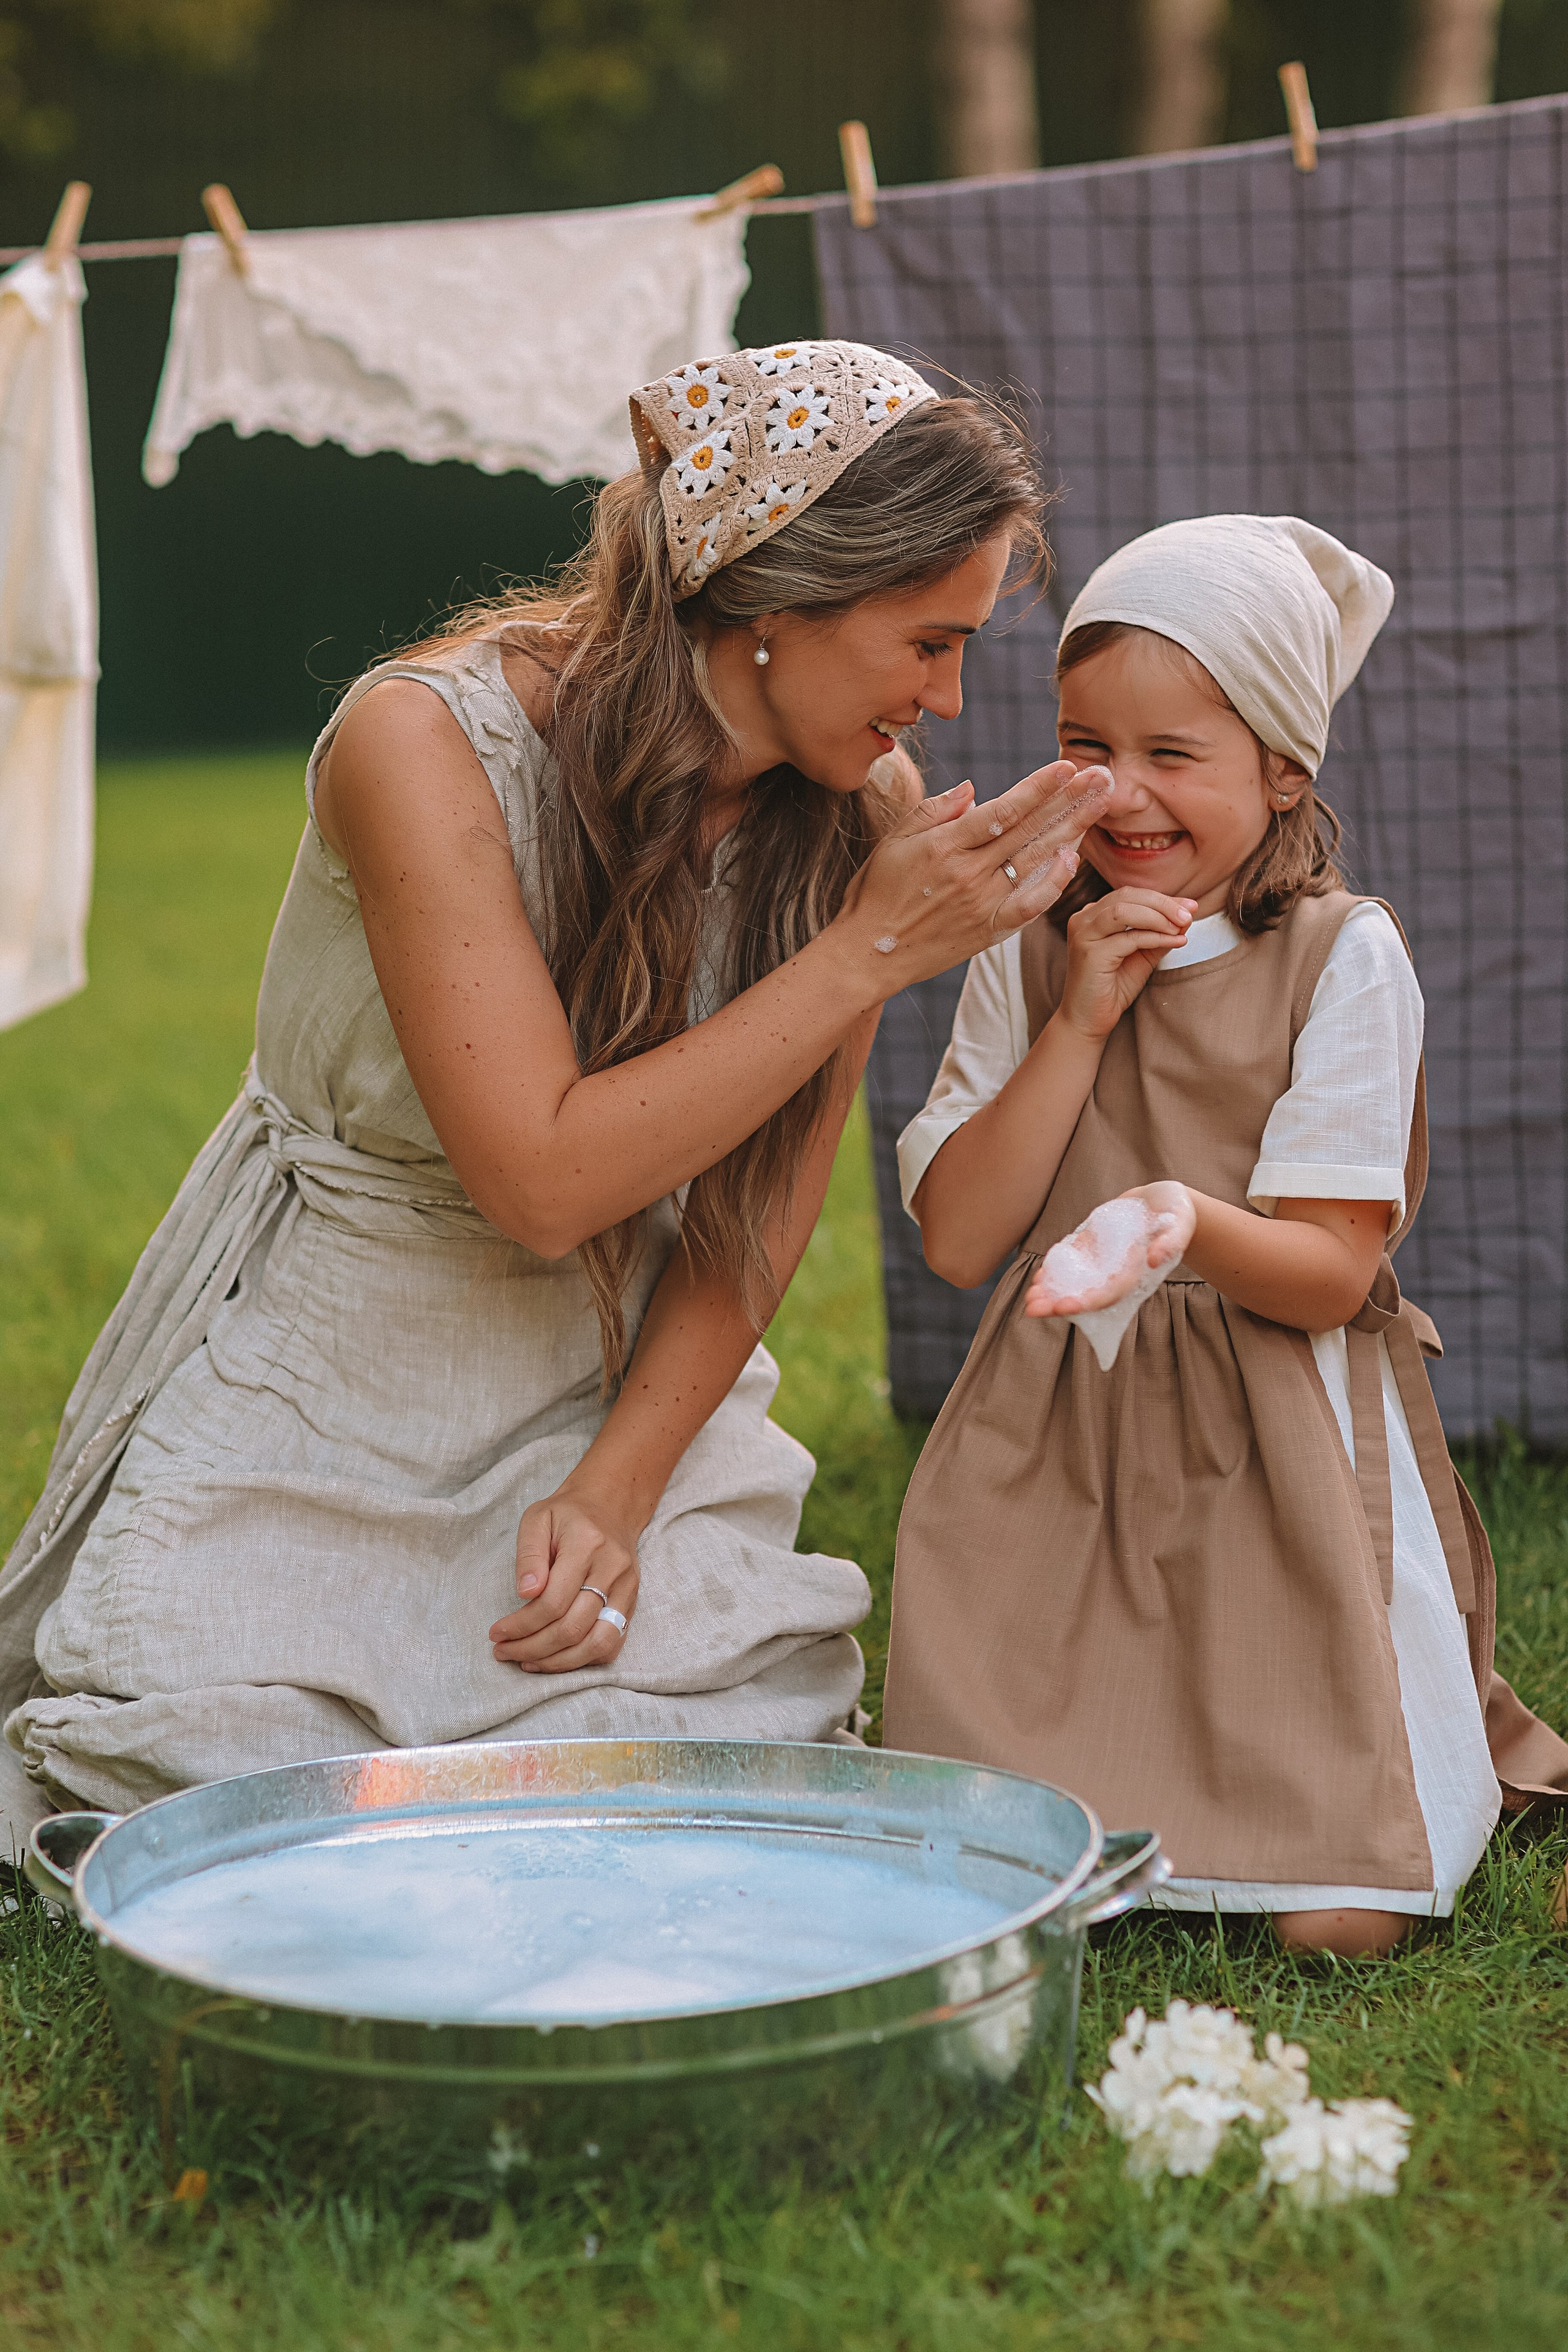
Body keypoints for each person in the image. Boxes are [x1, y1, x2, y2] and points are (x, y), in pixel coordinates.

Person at [0, 339, 1110, 1846]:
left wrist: (619, 1485)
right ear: (779, 604)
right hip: (352, 1344)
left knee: (731, 1735)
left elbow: (760, 1207)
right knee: (226, 1764)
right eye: (927, 642)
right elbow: (537, 1182)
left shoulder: (859, 819)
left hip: (625, 1356)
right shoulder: (423, 745)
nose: (949, 696)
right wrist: (869, 955)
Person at [884, 514, 1568, 1956]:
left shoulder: (1339, 957)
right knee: (987, 1887)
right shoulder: (1026, 944)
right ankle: (1086, 1794)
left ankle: (1324, 1804)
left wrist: (1176, 1222)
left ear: (1280, 768)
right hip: (1056, 1442)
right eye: (1086, 744)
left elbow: (1324, 1274)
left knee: (1338, 1927)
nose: (1120, 794)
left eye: (1171, 756)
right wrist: (1075, 1018)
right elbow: (959, 1239)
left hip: (1273, 1442)